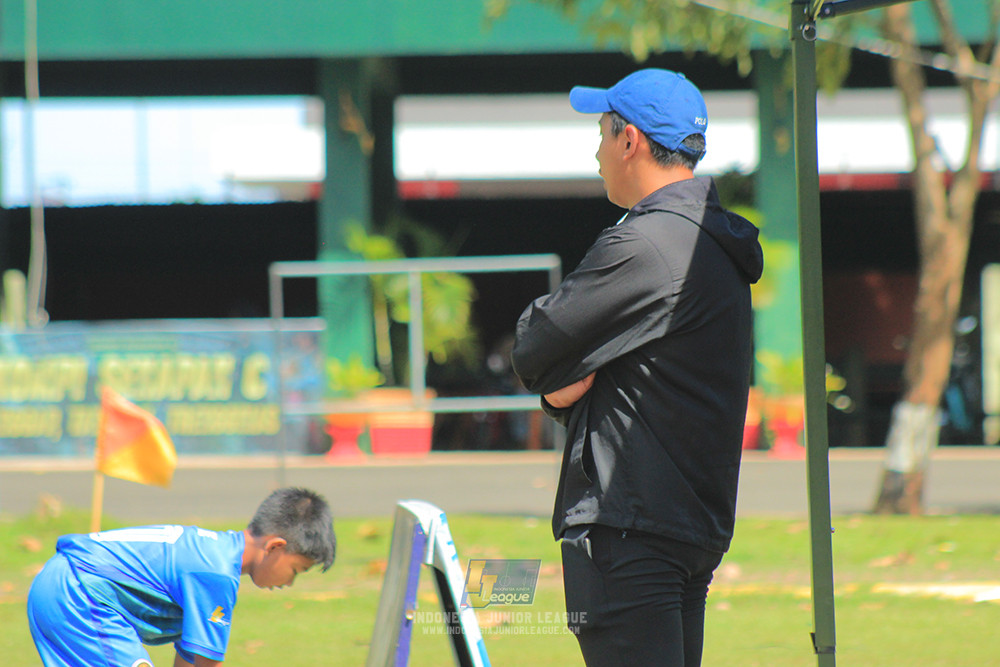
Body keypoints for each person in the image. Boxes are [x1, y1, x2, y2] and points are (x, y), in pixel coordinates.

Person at [511, 68, 763, 667]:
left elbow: (533, 347)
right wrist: (561, 390)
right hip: (686, 527)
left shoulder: (646, 245)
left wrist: (557, 389)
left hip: (632, 529)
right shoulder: (714, 242)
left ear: (630, 141)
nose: (595, 149)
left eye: (601, 131)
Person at [27, 486, 336, 667]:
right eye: (295, 570)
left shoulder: (214, 550)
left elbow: (191, 658)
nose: (289, 582)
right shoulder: (215, 573)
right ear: (275, 547)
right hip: (78, 595)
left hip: (62, 584)